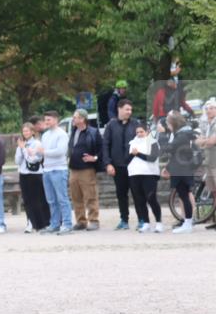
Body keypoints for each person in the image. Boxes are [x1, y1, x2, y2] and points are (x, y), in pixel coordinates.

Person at [158, 112, 199, 234]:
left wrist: (162, 134)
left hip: (182, 170)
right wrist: (168, 167)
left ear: (173, 123)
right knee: (183, 195)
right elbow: (177, 154)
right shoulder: (182, 134)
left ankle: (188, 223)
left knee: (184, 195)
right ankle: (187, 222)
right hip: (180, 168)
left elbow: (168, 148)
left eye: (169, 124)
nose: (168, 126)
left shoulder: (182, 135)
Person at [101, 99, 138, 230]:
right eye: (127, 109)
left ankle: (142, 220)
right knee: (121, 194)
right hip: (118, 166)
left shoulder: (136, 124)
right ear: (119, 109)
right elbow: (105, 145)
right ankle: (124, 220)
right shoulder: (111, 125)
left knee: (137, 193)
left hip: (134, 166)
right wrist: (108, 164)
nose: (129, 112)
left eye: (131, 110)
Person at [38, 111, 74, 235]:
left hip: (58, 169)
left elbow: (61, 151)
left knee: (62, 198)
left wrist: (44, 152)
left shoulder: (62, 134)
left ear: (56, 120)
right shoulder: (45, 135)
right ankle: (55, 224)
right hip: (47, 170)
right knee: (51, 200)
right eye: (45, 120)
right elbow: (42, 152)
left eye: (49, 119)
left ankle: (67, 224)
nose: (46, 122)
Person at [66, 109, 103, 231]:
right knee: (76, 197)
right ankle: (81, 221)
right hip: (73, 169)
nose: (73, 119)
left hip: (87, 169)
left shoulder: (93, 132)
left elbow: (101, 149)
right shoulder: (74, 131)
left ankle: (93, 220)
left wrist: (95, 158)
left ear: (82, 119)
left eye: (75, 117)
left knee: (90, 196)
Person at [127, 122, 164, 233]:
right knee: (139, 200)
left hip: (149, 174)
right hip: (134, 174)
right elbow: (127, 159)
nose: (139, 134)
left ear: (147, 132)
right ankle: (146, 223)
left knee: (151, 198)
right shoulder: (132, 142)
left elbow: (152, 158)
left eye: (141, 132)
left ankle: (159, 222)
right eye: (137, 132)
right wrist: (132, 154)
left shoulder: (153, 142)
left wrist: (137, 154)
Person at [15, 122, 51, 233]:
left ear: (32, 132)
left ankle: (43, 222)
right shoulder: (21, 144)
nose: (25, 133)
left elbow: (33, 159)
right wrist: (22, 149)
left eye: (27, 131)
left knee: (38, 199)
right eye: (24, 131)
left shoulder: (37, 143)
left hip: (35, 175)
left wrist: (24, 149)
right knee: (27, 200)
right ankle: (30, 222)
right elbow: (18, 161)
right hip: (24, 174)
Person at [198, 99, 216, 230]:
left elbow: (211, 142)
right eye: (207, 108)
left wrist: (204, 141)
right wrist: (205, 141)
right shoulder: (207, 124)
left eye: (211, 108)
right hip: (209, 162)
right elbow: (198, 141)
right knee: (214, 192)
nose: (208, 110)